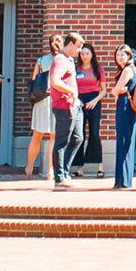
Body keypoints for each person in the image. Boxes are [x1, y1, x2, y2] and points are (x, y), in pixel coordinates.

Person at [46, 33, 82, 188]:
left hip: (73, 106)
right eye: (79, 46)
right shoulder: (60, 60)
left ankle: (65, 172)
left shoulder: (69, 60)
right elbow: (54, 81)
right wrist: (71, 92)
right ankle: (60, 178)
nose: (80, 50)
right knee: (62, 141)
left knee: (77, 138)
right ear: (70, 44)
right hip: (63, 106)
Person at [108, 44, 136, 189]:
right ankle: (123, 179)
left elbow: (114, 91)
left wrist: (116, 90)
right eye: (117, 55)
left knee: (123, 142)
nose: (119, 57)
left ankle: (122, 180)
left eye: (122, 54)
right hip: (129, 107)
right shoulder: (132, 70)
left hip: (125, 106)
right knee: (127, 141)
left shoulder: (127, 70)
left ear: (129, 56)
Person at [73, 43, 106, 178]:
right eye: (82, 54)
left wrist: (95, 101)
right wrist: (77, 100)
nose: (85, 56)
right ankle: (80, 167)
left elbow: (103, 90)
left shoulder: (98, 69)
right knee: (79, 134)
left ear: (92, 54)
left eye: (87, 53)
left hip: (94, 100)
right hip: (80, 101)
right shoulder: (77, 69)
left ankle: (100, 166)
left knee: (94, 133)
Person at [25, 50, 57, 178]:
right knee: (54, 137)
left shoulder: (41, 60)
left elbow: (34, 79)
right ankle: (50, 170)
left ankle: (29, 167)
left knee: (37, 135)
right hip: (55, 98)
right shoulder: (61, 60)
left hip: (41, 99)